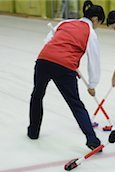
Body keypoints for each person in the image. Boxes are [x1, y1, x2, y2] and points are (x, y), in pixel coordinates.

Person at [27, 1, 104, 150]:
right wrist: (92, 85)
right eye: (99, 23)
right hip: (64, 67)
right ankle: (92, 140)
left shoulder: (66, 23)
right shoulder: (90, 33)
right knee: (76, 104)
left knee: (37, 95)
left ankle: (33, 132)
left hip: (43, 60)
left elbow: (48, 40)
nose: (97, 26)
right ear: (95, 19)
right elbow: (93, 61)